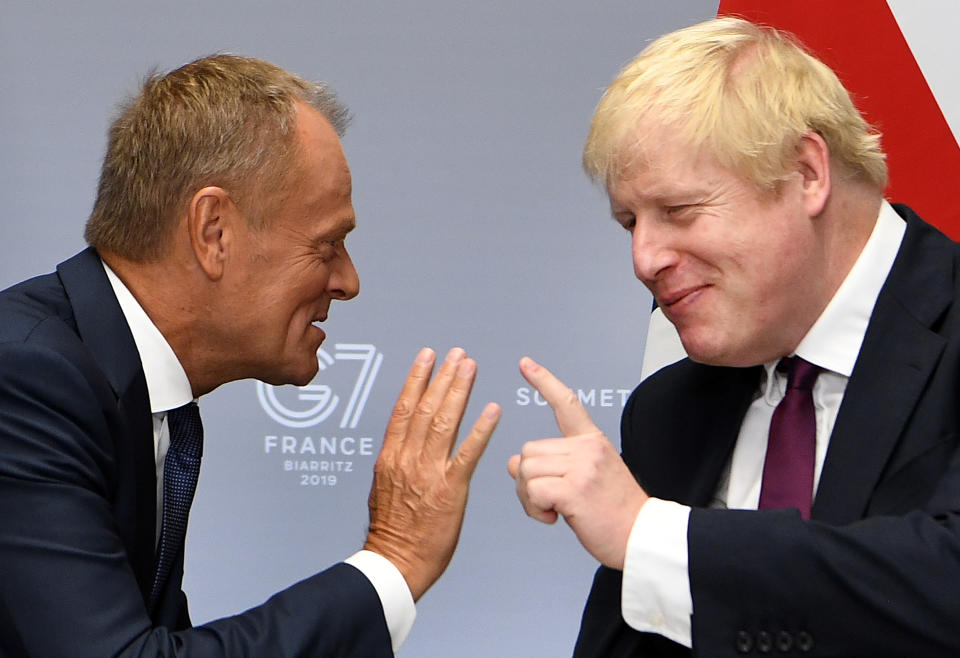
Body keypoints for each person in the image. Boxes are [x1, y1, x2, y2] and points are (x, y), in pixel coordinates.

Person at [0, 54, 500, 656]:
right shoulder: (27, 377)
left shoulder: (141, 393)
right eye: (328, 244)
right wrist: (395, 561)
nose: (348, 280)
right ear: (214, 233)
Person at [509, 16, 960, 657]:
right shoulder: (668, 413)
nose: (643, 259)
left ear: (806, 173)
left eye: (679, 211)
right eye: (629, 221)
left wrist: (652, 538)